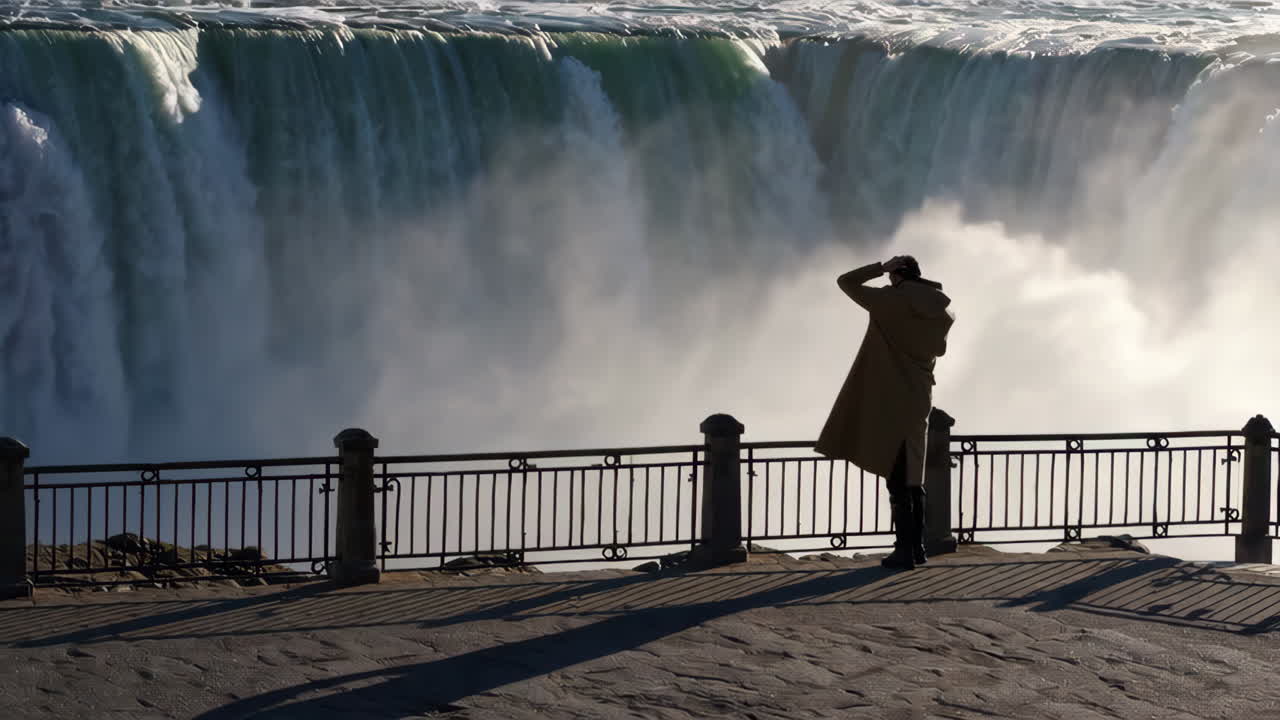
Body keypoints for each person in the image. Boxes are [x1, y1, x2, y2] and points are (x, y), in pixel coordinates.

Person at [815, 255, 955, 570]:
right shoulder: (941, 310)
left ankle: (904, 551)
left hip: (890, 399)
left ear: (896, 275)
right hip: (919, 398)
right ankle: (917, 548)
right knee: (913, 477)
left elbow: (846, 282)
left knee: (897, 480)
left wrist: (880, 268)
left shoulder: (887, 301)